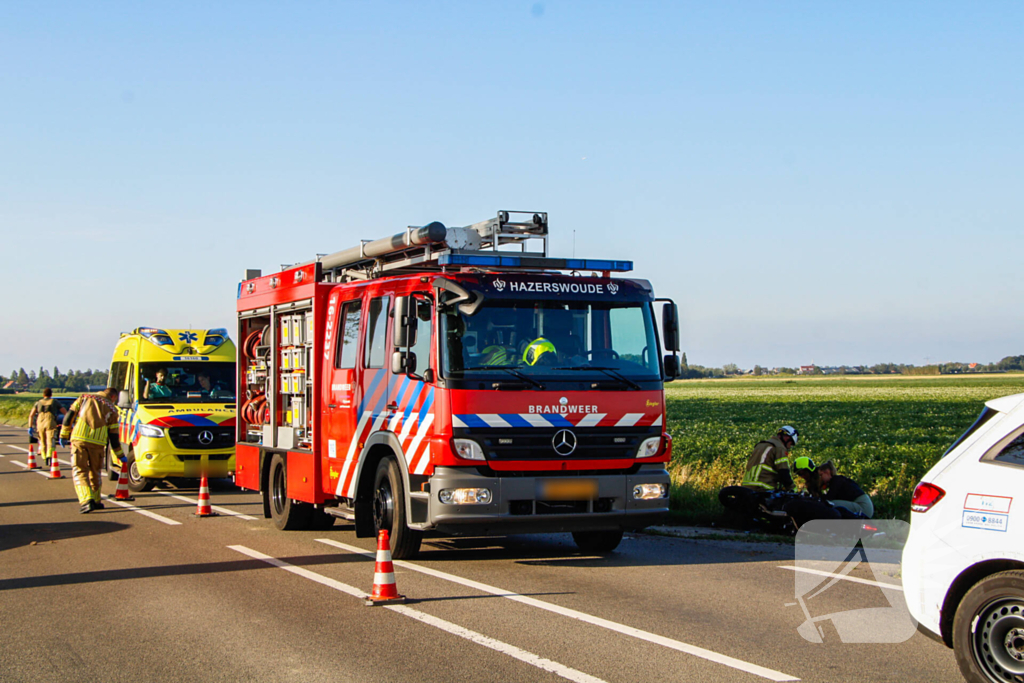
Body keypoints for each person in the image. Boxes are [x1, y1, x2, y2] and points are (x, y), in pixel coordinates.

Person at [59, 388, 122, 514]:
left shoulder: (84, 398)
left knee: (80, 471)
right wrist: (120, 454)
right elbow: (113, 436)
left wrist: (64, 434)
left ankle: (86, 500)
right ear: (114, 397)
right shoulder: (113, 410)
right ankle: (96, 500)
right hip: (98, 444)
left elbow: (69, 416)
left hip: (79, 440)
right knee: (95, 472)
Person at [790, 457, 874, 521]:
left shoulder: (837, 481)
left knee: (830, 504)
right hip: (857, 504)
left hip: (863, 506)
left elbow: (828, 498)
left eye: (821, 475)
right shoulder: (832, 483)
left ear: (827, 472)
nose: (803, 477)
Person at [741, 426, 799, 492]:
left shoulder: (760, 445)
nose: (789, 447)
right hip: (763, 487)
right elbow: (783, 471)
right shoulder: (779, 448)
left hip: (746, 487)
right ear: (787, 438)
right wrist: (793, 489)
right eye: (791, 443)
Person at [28, 388, 67, 467]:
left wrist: (30, 426)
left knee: (42, 440)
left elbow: (31, 415)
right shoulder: (55, 402)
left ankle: (44, 457)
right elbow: (65, 412)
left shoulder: (38, 403)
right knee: (50, 440)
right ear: (51, 394)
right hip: (50, 421)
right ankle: (50, 455)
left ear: (43, 394)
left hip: (40, 422)